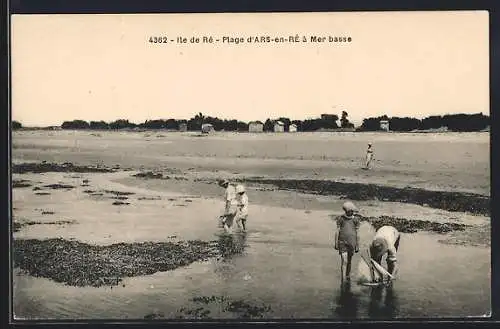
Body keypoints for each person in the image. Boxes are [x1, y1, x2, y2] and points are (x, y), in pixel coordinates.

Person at [334, 201, 361, 282]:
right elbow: (337, 231)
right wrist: (336, 242)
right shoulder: (341, 219)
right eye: (350, 211)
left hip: (352, 243)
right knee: (344, 261)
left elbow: (357, 233)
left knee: (349, 261)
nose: (352, 212)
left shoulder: (356, 220)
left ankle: (348, 276)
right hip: (342, 242)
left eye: (352, 211)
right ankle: (343, 280)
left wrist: (357, 244)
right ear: (346, 211)